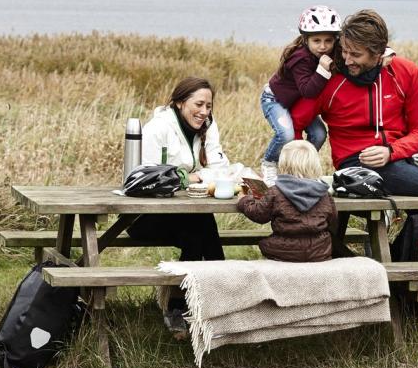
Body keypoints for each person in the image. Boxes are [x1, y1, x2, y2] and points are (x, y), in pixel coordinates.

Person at [290, 10, 418, 228]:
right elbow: (296, 122)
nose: (347, 60)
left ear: (378, 53)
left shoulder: (406, 72)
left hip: (396, 160)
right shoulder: (329, 78)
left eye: (356, 55)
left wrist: (392, 151)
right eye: (344, 51)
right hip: (354, 164)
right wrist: (297, 170)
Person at [129, 76, 229, 337]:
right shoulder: (158, 128)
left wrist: (196, 177)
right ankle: (222, 295)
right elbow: (146, 176)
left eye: (209, 106)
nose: (204, 112)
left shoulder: (207, 125)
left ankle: (181, 307)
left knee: (198, 228)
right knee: (200, 225)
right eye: (198, 104)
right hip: (144, 217)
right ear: (180, 102)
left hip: (183, 215)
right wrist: (190, 177)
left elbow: (219, 168)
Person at [258, 5, 338, 183]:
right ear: (306, 39)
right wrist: (323, 70)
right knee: (285, 134)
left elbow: (356, 42)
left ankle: (302, 167)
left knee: (319, 134)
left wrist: (385, 50)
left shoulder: (331, 50)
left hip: (294, 101)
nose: (323, 47)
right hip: (275, 100)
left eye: (328, 41)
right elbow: (307, 91)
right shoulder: (300, 58)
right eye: (317, 41)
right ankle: (269, 164)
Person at [236, 140, 335, 262]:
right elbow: (333, 220)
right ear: (315, 165)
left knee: (265, 244)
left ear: (283, 165)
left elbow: (259, 215)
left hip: (283, 251)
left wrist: (244, 200)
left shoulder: (276, 192)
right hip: (319, 252)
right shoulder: (324, 194)